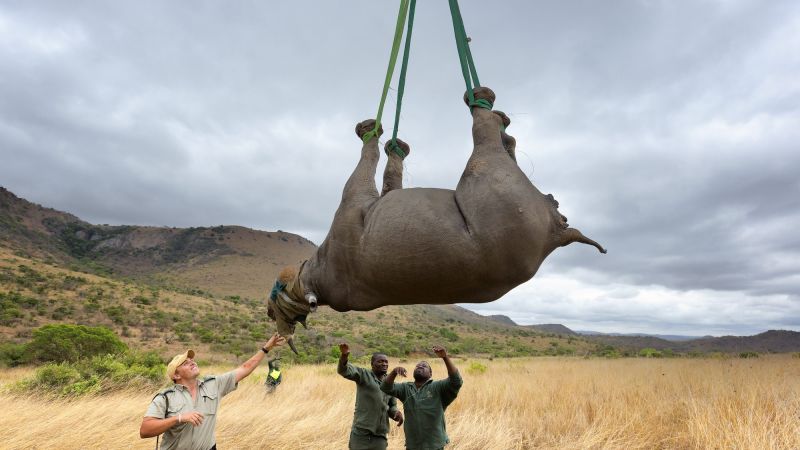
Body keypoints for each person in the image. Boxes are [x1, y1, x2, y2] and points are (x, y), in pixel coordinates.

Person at [139, 333, 286, 450]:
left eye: (192, 360)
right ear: (176, 375)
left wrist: (267, 347)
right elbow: (145, 430)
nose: (192, 362)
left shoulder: (213, 384)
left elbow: (245, 368)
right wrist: (178, 418)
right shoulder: (165, 398)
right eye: (185, 363)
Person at [380, 345, 462, 450]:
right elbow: (385, 387)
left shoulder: (438, 387)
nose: (420, 366)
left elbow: (456, 381)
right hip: (413, 445)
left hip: (435, 445)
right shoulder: (405, 388)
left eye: (424, 366)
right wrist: (394, 371)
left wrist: (445, 357)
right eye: (418, 366)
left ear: (430, 373)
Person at [338, 342, 404, 450]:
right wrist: (344, 356)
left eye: (386, 362)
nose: (384, 364)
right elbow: (344, 371)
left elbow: (392, 405)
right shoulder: (364, 375)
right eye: (380, 361)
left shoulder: (390, 383)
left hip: (380, 436)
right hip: (361, 434)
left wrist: (396, 413)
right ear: (372, 364)